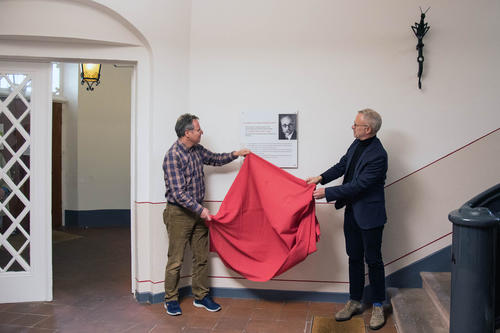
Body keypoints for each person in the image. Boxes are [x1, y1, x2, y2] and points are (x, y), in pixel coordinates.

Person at [306, 108, 388, 330]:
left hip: (370, 216)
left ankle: (379, 304)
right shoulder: (356, 144)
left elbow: (359, 185)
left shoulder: (379, 155)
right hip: (352, 212)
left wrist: (328, 193)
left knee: (373, 260)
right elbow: (343, 165)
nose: (352, 127)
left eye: (355, 124)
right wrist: (321, 178)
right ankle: (354, 301)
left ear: (367, 129)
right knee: (354, 258)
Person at [162, 113, 250, 316]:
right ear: (187, 133)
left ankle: (201, 296)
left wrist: (236, 154)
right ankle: (170, 299)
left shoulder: (196, 150)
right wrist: (200, 210)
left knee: (201, 257)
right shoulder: (173, 156)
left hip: (197, 212)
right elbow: (177, 192)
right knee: (175, 260)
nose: (202, 132)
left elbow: (215, 159)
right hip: (179, 214)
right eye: (198, 129)